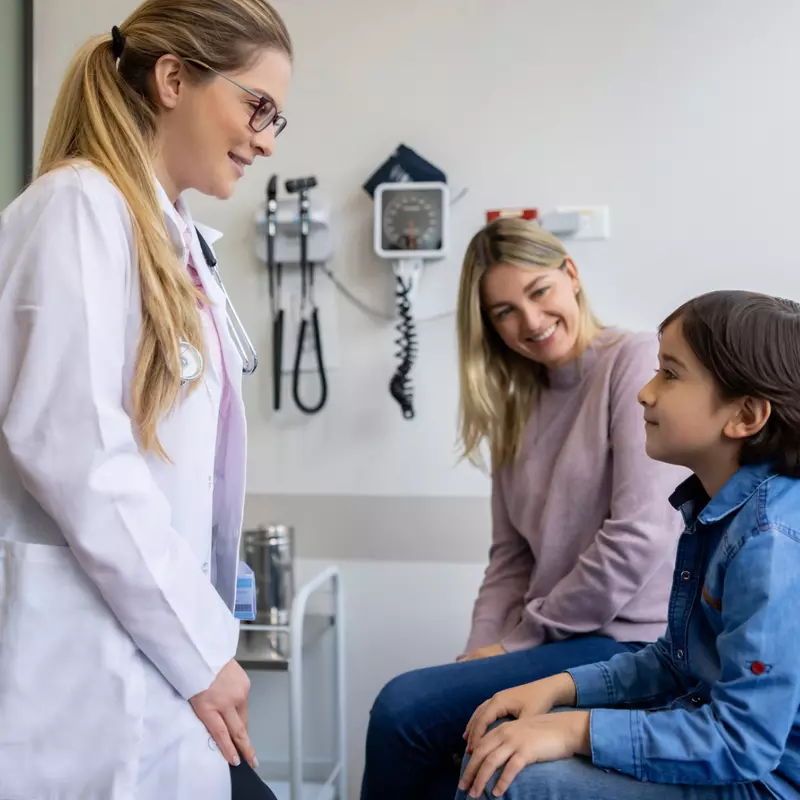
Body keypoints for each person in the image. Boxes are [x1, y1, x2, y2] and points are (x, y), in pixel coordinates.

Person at [0, 2, 291, 798]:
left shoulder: (175, 239)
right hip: (93, 674)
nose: (266, 138)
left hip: (159, 657)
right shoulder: (75, 210)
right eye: (257, 106)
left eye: (277, 118)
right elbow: (80, 457)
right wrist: (202, 652)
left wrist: (202, 648)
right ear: (173, 79)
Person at [360, 217, 688, 800]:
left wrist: (514, 645)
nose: (530, 322)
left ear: (572, 276)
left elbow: (639, 535)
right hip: (555, 641)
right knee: (449, 758)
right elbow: (509, 559)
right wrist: (476, 653)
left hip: (628, 642)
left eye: (539, 293)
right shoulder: (516, 403)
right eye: (504, 311)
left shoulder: (632, 362)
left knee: (402, 710)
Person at [458, 289, 800, 800]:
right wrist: (557, 688)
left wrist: (574, 729)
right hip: (719, 740)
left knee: (510, 781)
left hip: (764, 781)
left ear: (745, 416)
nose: (645, 392)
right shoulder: (719, 510)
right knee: (499, 742)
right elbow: (675, 660)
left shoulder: (769, 543)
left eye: (670, 373)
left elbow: (741, 742)